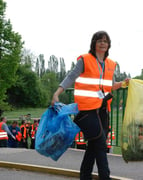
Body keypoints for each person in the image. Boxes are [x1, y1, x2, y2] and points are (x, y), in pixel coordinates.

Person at [51, 31, 129, 180]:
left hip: (103, 110)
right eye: (99, 40)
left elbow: (110, 86)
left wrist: (123, 83)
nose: (102, 43)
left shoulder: (111, 64)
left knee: (94, 146)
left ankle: (85, 177)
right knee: (100, 144)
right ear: (94, 43)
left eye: (105, 41)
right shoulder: (85, 60)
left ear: (109, 44)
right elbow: (71, 76)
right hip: (86, 110)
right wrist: (57, 93)